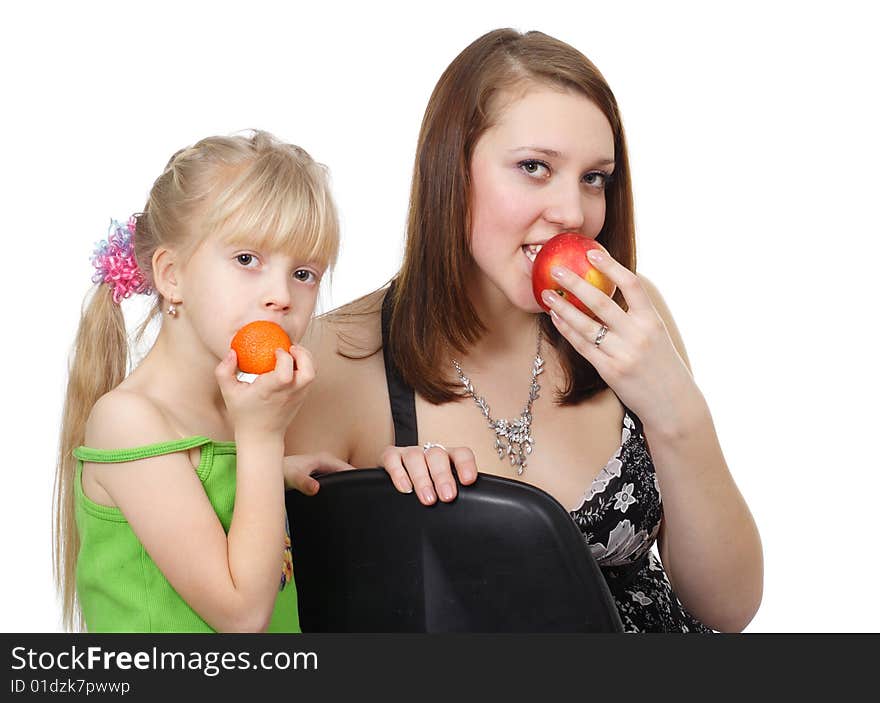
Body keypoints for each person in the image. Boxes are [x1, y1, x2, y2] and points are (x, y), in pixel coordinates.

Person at [286, 29, 763, 633]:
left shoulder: (628, 324)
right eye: (535, 168)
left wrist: (676, 413)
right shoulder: (336, 356)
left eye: (595, 177)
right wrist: (376, 512)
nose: (574, 212)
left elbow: (729, 608)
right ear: (451, 172)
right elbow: (264, 608)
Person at [53, 130, 352, 632]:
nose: (281, 295)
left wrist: (273, 468)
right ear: (171, 275)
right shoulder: (130, 419)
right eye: (246, 260)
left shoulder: (234, 408)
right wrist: (262, 440)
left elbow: (204, 485)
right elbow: (242, 616)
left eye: (304, 273)